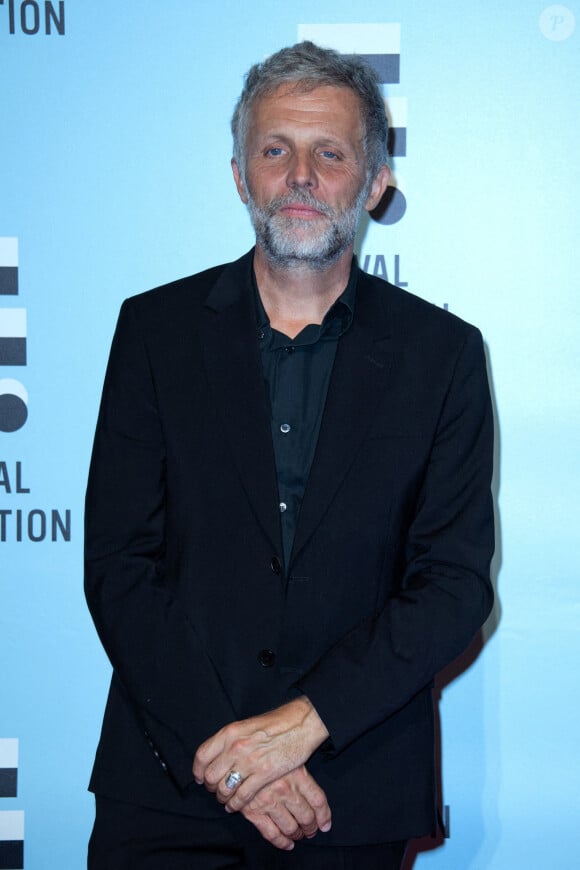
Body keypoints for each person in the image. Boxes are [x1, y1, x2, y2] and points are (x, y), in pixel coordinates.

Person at [84, 41, 494, 870]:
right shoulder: (154, 334)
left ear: (375, 182)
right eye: (275, 150)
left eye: (330, 153)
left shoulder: (442, 355)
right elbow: (119, 566)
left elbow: (451, 587)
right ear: (241, 175)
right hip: (170, 782)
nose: (300, 175)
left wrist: (305, 724)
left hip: (354, 790)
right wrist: (233, 756)